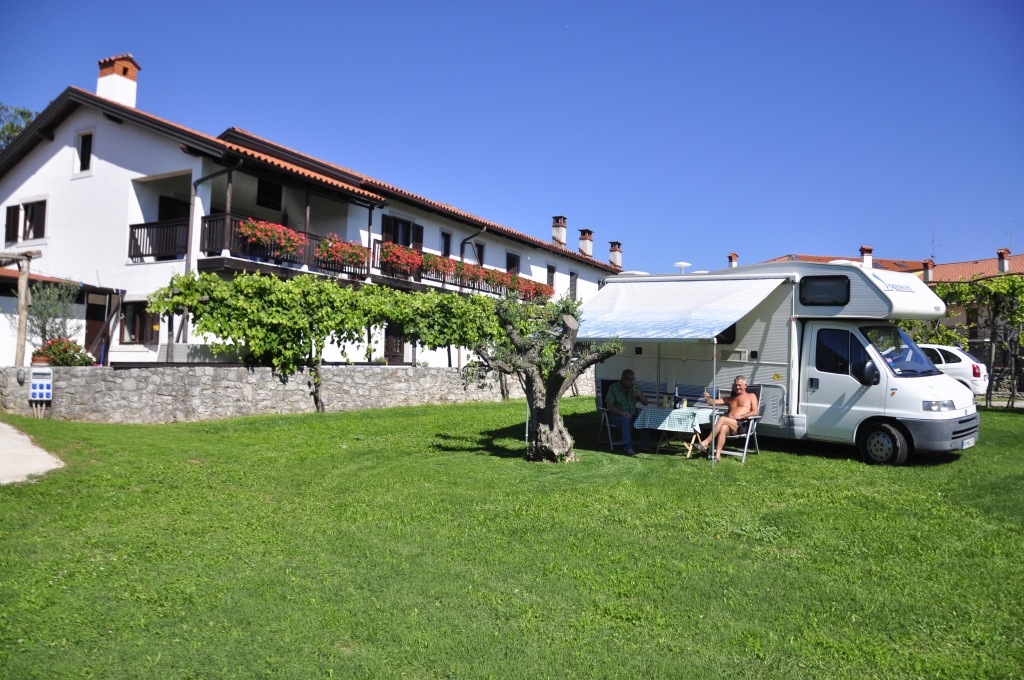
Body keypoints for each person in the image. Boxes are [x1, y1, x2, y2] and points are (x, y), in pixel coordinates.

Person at [699, 376, 758, 462]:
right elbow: (711, 402)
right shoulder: (730, 399)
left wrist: (742, 416)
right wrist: (707, 397)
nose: (737, 387)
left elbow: (755, 412)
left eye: (739, 385)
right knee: (723, 427)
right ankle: (717, 456)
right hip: (730, 425)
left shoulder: (751, 396)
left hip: (742, 425)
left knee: (722, 418)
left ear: (745, 385)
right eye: (735, 385)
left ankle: (705, 443)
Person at [604, 369, 650, 455]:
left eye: (633, 379)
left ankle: (643, 445)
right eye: (629, 380)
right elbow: (609, 405)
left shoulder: (635, 387)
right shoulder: (614, 388)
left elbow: (645, 403)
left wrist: (639, 395)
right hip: (616, 416)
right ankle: (628, 447)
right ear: (623, 379)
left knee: (643, 418)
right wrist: (621, 412)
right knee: (626, 419)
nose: (631, 382)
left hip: (632, 415)